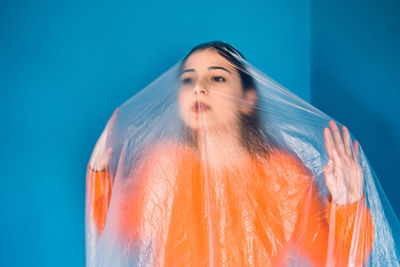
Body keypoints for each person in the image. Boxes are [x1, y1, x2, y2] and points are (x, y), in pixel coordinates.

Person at [86, 41, 374, 266]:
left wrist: (348, 206)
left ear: (248, 100)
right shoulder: (164, 166)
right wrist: (99, 176)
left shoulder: (283, 175)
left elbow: (334, 260)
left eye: (217, 78)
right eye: (188, 80)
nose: (198, 88)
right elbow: (118, 233)